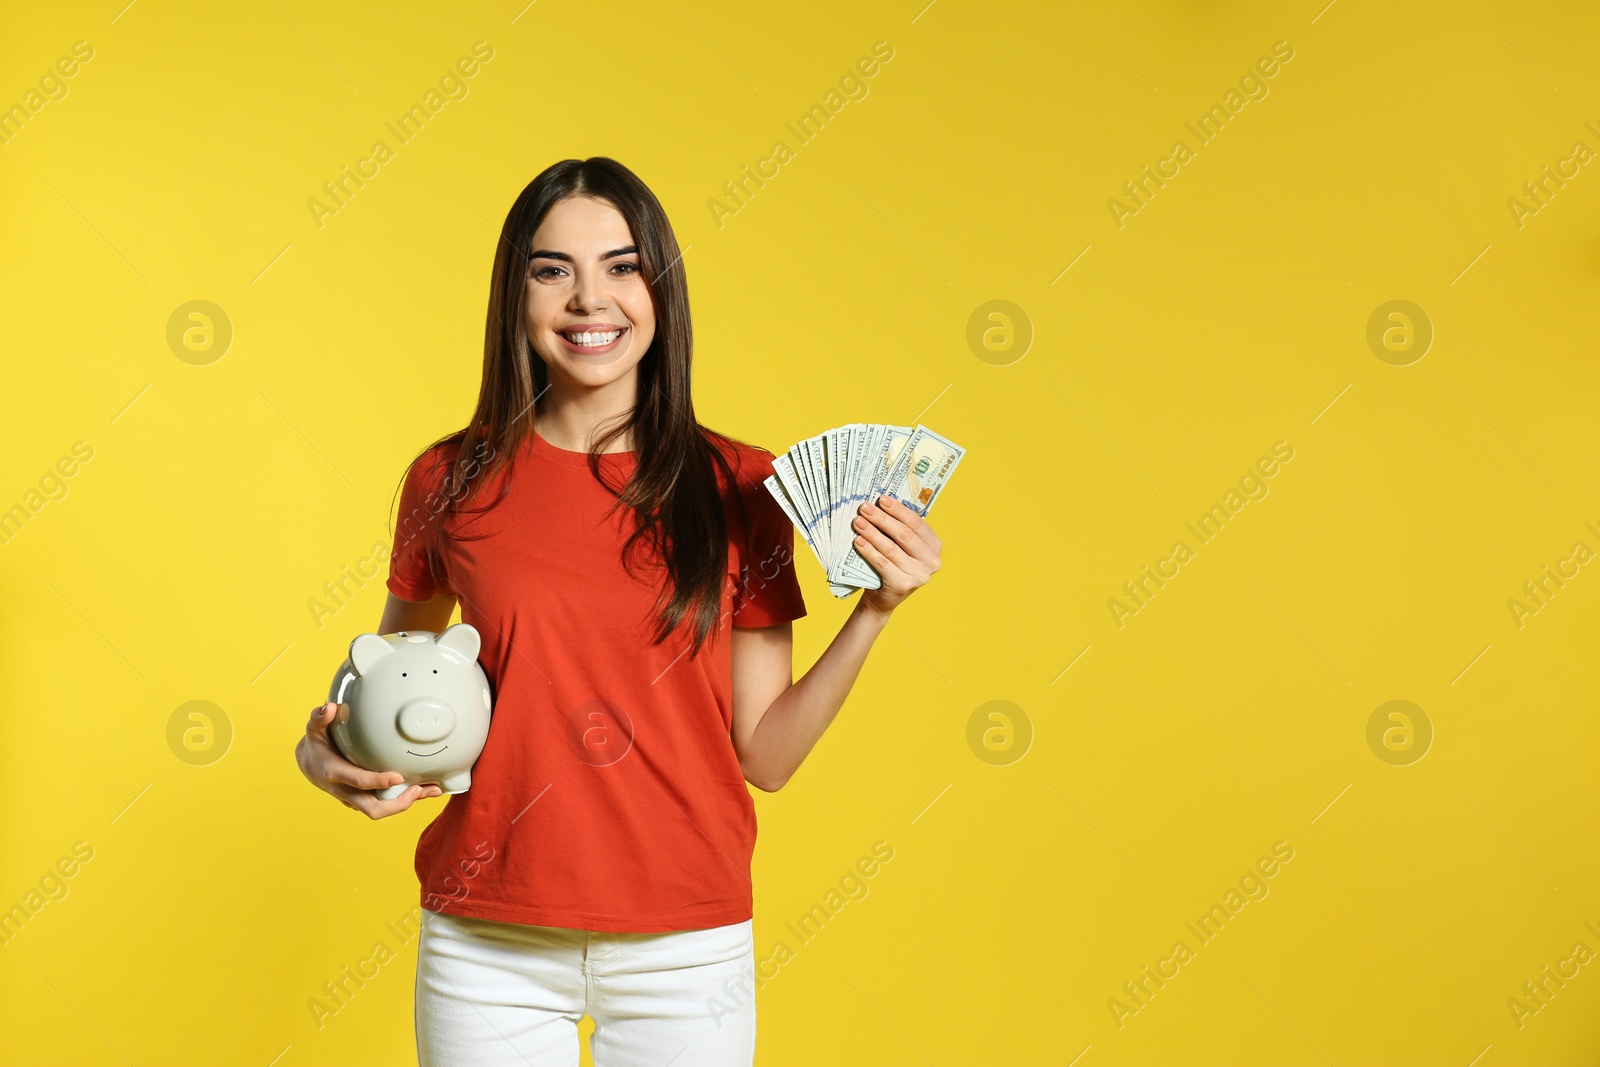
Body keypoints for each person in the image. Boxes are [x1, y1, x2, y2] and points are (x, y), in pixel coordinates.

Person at [293, 157, 945, 1066]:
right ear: (515, 297)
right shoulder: (449, 480)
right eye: (551, 269)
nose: (587, 299)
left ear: (659, 290)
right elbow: (379, 681)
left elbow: (768, 756)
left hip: (685, 940)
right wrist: (320, 751)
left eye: (622, 266)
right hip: (488, 939)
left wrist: (876, 608)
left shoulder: (742, 485)